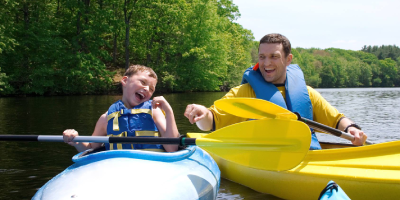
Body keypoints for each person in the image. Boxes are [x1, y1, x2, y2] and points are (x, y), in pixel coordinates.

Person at [184, 33, 367, 149]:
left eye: (274, 56)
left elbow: (337, 120)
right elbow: (210, 124)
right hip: (264, 160)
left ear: (288, 60)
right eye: (262, 57)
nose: (266, 63)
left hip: (307, 157)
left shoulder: (307, 93)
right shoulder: (244, 92)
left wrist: (352, 129)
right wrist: (202, 114)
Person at [63, 65, 179, 152]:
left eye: (151, 89)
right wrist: (76, 141)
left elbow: (172, 148)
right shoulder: (106, 118)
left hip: (150, 164)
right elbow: (91, 148)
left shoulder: (155, 112)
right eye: (143, 82)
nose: (147, 89)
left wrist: (169, 112)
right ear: (124, 81)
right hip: (118, 166)